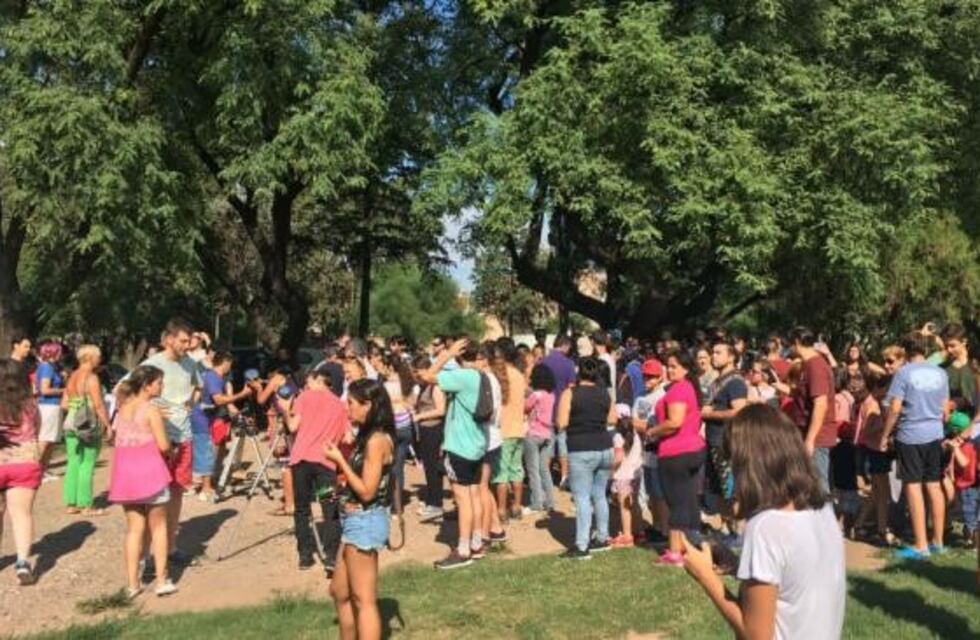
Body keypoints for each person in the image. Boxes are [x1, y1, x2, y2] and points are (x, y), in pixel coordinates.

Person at [682, 404, 846, 640]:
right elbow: (794, 581)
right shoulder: (822, 509)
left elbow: (756, 635)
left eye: (734, 463)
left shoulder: (766, 527)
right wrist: (742, 566)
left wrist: (705, 576)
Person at [326, 378, 395, 640]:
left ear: (368, 405)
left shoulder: (376, 440)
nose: (347, 408)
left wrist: (341, 461)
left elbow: (367, 491)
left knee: (363, 599)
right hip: (354, 519)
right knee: (339, 591)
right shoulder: (367, 436)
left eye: (352, 403)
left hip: (366, 521)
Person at [135, 318, 201, 566]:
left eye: (189, 341)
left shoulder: (190, 364)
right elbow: (124, 391)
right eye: (183, 341)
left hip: (183, 439)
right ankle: (144, 555)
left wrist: (190, 403)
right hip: (158, 441)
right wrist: (149, 412)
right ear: (169, 339)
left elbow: (198, 388)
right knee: (152, 498)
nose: (188, 345)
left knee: (176, 493)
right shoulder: (152, 364)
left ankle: (170, 547)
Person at [108, 365, 177, 598]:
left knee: (133, 529)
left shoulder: (122, 408)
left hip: (126, 475)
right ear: (147, 385)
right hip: (150, 473)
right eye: (159, 382)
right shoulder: (151, 410)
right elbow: (164, 445)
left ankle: (132, 584)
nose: (162, 386)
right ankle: (161, 579)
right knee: (158, 526)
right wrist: (171, 450)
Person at [880, 332, 950, 560]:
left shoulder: (903, 373)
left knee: (913, 486)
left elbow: (895, 408)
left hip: (911, 435)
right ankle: (938, 541)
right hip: (935, 434)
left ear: (906, 350)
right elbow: (945, 409)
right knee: (934, 485)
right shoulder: (941, 373)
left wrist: (885, 434)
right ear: (926, 349)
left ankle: (921, 545)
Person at [417, 339, 485, 570]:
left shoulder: (463, 377)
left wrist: (446, 355)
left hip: (459, 446)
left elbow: (426, 376)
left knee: (463, 499)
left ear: (460, 355)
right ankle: (476, 543)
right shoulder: (481, 376)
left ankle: (463, 549)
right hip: (477, 444)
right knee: (474, 494)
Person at [280, 366, 350, 571]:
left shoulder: (305, 397)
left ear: (322, 380)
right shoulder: (341, 405)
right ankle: (331, 556)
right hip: (325, 462)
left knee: (302, 508)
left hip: (301, 460)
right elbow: (347, 437)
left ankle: (305, 555)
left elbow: (293, 427)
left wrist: (285, 409)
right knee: (329, 508)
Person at [647, 350, 706, 566]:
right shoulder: (687, 387)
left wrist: (653, 432)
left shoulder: (679, 390)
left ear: (686, 368)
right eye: (668, 366)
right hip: (691, 448)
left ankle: (675, 552)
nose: (670, 370)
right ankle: (688, 545)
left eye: (674, 366)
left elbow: (674, 422)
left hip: (677, 451)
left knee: (677, 501)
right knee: (687, 498)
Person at [556, 357, 618, 560]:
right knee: (599, 495)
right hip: (604, 447)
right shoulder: (604, 393)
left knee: (582, 497)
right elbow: (612, 419)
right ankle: (602, 537)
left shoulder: (570, 393)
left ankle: (581, 546)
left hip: (581, 448)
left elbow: (561, 422)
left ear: (578, 373)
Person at [0, 358, 41, 585]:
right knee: (21, 514)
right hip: (25, 463)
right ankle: (23, 562)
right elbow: (38, 428)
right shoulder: (30, 404)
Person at [190, 351, 251, 502]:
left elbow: (227, 403)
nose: (230, 368)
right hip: (201, 418)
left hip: (209, 417)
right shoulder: (213, 377)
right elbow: (218, 400)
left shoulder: (217, 378)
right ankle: (205, 487)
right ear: (225, 362)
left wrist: (238, 414)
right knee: (205, 451)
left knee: (211, 450)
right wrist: (241, 395)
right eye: (229, 364)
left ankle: (208, 483)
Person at [701, 340, 748, 528]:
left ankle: (736, 532)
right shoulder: (717, 381)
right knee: (718, 490)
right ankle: (725, 531)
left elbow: (739, 411)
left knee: (731, 491)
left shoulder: (735, 382)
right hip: (714, 442)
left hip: (726, 443)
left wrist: (710, 413)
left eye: (718, 352)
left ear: (731, 357)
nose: (713, 356)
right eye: (712, 352)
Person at [61, 344, 112, 516]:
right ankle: (86, 504)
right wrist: (108, 425)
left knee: (73, 461)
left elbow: (65, 403)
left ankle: (71, 502)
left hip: (71, 420)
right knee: (88, 462)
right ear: (90, 357)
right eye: (98, 356)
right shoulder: (91, 378)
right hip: (87, 421)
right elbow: (98, 405)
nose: (100, 359)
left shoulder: (72, 376)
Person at [790, 327, 837, 493]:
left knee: (819, 489)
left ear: (796, 342)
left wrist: (810, 440)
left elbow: (821, 404)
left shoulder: (815, 366)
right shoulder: (809, 365)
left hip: (818, 437)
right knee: (810, 487)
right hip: (811, 434)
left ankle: (826, 519)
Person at [853, 372, 895, 546]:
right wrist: (884, 428)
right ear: (879, 388)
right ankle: (882, 530)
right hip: (875, 451)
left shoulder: (876, 402)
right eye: (887, 389)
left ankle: (859, 525)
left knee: (877, 493)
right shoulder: (873, 405)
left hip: (876, 451)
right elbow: (866, 431)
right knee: (883, 493)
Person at [633, 357, 670, 542]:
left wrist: (641, 425)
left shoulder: (662, 397)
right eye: (646, 376)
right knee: (651, 493)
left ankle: (664, 529)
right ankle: (656, 526)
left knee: (659, 493)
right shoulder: (640, 397)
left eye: (652, 377)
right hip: (643, 449)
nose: (648, 380)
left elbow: (655, 425)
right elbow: (635, 422)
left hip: (657, 448)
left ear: (660, 378)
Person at [492, 338, 527, 521]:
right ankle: (517, 506)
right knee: (517, 470)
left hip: (503, 431)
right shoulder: (519, 375)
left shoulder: (497, 375)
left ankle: (501, 509)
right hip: (518, 429)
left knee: (501, 473)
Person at [411, 355, 447, 522]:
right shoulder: (423, 386)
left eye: (418, 373)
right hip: (425, 431)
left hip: (434, 430)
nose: (417, 376)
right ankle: (432, 501)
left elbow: (440, 410)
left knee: (434, 469)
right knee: (429, 468)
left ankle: (436, 504)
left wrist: (420, 416)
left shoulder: (436, 387)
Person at [379, 353, 417, 509]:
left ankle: (389, 500)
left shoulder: (386, 387)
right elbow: (412, 405)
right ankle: (398, 505)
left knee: (388, 467)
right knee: (399, 466)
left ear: (389, 367)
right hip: (406, 426)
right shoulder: (408, 384)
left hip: (392, 427)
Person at [540, 335, 577, 489]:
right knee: (563, 444)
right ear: (565, 346)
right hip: (563, 410)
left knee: (547, 446)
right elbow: (572, 387)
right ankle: (564, 477)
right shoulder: (569, 364)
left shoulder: (543, 362)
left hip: (546, 410)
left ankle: (546, 478)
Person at [524, 364, 556, 514]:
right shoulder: (552, 396)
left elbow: (525, 407)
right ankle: (550, 501)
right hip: (549, 434)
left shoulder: (535, 395)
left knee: (533, 470)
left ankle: (537, 502)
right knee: (545, 469)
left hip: (534, 433)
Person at [611, 411, 643, 547]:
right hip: (635, 474)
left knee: (624, 507)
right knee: (634, 504)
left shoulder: (618, 436)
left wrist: (609, 469)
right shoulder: (636, 435)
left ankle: (627, 535)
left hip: (622, 476)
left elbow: (618, 459)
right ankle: (639, 532)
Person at [34, 341, 65, 480]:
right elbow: (44, 390)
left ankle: (43, 470)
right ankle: (35, 470)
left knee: (51, 441)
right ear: (53, 352)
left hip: (54, 406)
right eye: (59, 351)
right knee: (44, 440)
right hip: (47, 406)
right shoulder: (46, 367)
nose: (61, 354)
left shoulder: (53, 368)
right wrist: (64, 390)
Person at [940, 323, 980, 422]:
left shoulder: (975, 366)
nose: (949, 350)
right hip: (950, 423)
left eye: (952, 345)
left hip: (975, 423)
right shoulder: (942, 368)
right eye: (946, 346)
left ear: (964, 341)